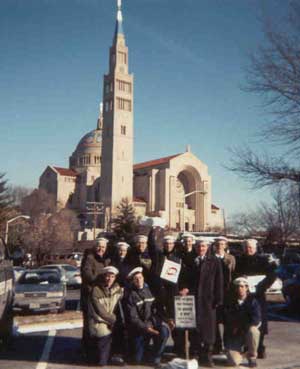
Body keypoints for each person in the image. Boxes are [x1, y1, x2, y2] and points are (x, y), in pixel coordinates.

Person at [181, 238, 223, 367]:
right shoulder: (190, 260)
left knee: (209, 329)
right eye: (199, 246)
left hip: (208, 300)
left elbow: (219, 281)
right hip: (193, 299)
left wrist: (218, 299)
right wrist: (184, 288)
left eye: (203, 246)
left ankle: (208, 354)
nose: (201, 249)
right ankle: (196, 353)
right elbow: (184, 278)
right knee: (195, 328)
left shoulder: (214, 261)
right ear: (195, 247)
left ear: (208, 247)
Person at [234, 239, 277, 359]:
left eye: (251, 247)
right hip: (244, 296)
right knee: (245, 321)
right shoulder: (240, 260)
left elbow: (272, 276)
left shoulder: (263, 260)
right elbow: (235, 275)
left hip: (258, 296)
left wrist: (261, 287)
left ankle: (260, 347)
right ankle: (248, 347)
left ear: (255, 248)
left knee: (260, 322)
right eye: (247, 247)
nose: (249, 250)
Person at [148, 230, 183, 356]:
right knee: (160, 320)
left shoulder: (178, 258)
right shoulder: (158, 255)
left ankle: (179, 349)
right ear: (163, 245)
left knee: (175, 321)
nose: (168, 246)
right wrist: (153, 231)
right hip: (159, 291)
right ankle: (158, 349)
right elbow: (151, 246)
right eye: (166, 244)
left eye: (171, 244)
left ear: (174, 245)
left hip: (172, 293)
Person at [125, 267, 169, 367]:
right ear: (132, 281)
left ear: (143, 278)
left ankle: (156, 357)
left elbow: (158, 309)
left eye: (140, 277)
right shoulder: (130, 295)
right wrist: (146, 328)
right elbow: (133, 318)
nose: (139, 280)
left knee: (164, 331)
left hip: (152, 323)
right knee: (137, 360)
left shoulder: (151, 290)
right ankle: (144, 352)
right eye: (136, 279)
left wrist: (165, 320)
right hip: (139, 328)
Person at [80, 237, 111, 358]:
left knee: (101, 324)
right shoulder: (89, 259)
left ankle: (99, 351)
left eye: (103, 247)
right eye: (99, 246)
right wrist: (103, 279)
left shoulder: (107, 260)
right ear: (94, 247)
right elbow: (88, 276)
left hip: (102, 297)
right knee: (89, 326)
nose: (101, 249)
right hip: (90, 297)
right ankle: (88, 351)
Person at [88, 266, 123, 366]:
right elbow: (99, 312)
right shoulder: (95, 290)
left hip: (112, 320)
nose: (110, 279)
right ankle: (102, 360)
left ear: (115, 278)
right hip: (99, 321)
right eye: (107, 276)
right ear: (104, 276)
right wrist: (112, 320)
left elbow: (119, 307)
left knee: (123, 330)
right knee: (104, 333)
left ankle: (115, 355)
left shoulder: (117, 289)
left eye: (112, 276)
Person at [224, 277, 261, 368]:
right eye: (238, 287)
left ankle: (252, 356)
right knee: (233, 362)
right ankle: (244, 354)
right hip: (235, 334)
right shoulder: (230, 302)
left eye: (242, 286)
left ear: (247, 288)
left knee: (254, 330)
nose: (240, 289)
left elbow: (256, 320)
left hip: (246, 332)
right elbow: (227, 319)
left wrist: (242, 326)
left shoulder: (253, 302)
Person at [213, 236, 236, 354]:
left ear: (225, 245)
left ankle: (228, 345)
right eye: (218, 244)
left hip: (227, 293)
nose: (220, 246)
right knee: (215, 320)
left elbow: (234, 274)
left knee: (228, 320)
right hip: (214, 293)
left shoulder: (231, 259)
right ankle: (217, 345)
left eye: (222, 244)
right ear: (214, 246)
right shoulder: (211, 258)